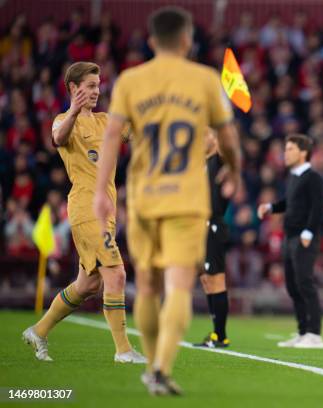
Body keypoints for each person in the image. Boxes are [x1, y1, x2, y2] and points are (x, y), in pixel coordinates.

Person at [93, 7, 241, 395]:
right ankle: (160, 368)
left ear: (152, 41)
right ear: (187, 40)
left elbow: (111, 139)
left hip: (144, 197)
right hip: (188, 199)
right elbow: (226, 139)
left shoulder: (130, 80)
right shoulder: (205, 79)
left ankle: (148, 360)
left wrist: (100, 192)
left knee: (146, 285)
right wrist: (235, 170)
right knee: (178, 285)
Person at [22, 61, 146, 365]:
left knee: (88, 285)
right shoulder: (64, 120)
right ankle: (123, 350)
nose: (97, 90)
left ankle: (38, 331)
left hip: (107, 211)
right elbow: (58, 139)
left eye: (98, 84)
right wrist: (75, 111)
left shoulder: (106, 121)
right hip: (86, 208)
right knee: (116, 274)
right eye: (90, 85)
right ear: (74, 89)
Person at [257, 134, 323, 348]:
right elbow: (289, 202)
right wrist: (271, 208)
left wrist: (308, 233)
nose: (284, 153)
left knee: (305, 284)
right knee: (292, 286)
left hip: (303, 238)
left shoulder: (313, 177)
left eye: (289, 149)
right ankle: (303, 331)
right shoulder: (294, 177)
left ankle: (315, 334)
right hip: (290, 238)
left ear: (303, 152)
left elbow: (318, 207)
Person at [194, 130, 231, 349]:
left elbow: (229, 147)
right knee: (206, 279)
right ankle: (216, 333)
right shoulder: (202, 163)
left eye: (205, 133)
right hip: (199, 225)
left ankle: (221, 335)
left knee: (216, 279)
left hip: (213, 225)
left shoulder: (220, 160)